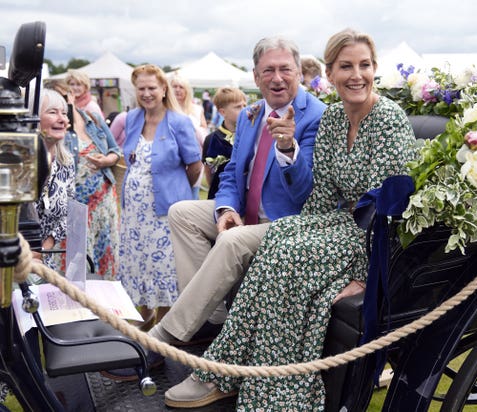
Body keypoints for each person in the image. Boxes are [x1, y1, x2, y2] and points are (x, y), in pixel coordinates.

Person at [164, 28, 417, 410]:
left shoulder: (388, 119)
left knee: (284, 254)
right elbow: (320, 196)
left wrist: (364, 277)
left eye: (365, 65)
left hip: (368, 234)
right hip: (334, 223)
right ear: (329, 74)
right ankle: (230, 366)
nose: (356, 75)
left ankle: (251, 377)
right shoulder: (334, 119)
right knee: (279, 238)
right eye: (345, 66)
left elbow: (389, 212)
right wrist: (294, 230)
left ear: (375, 69)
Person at [141, 36, 326, 355]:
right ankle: (210, 321)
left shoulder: (317, 115)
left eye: (285, 69)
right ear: (255, 77)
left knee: (230, 241)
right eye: (268, 70)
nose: (277, 78)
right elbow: (232, 172)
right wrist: (226, 208)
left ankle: (167, 333)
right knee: (181, 212)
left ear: (298, 72)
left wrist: (287, 148)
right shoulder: (250, 114)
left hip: (290, 222)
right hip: (247, 214)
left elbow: (306, 191)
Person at [116, 64, 202, 331]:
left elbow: (195, 165)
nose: (146, 93)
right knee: (139, 265)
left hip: (165, 211)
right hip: (134, 214)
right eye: (141, 88)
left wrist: (177, 192)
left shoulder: (179, 122)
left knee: (164, 268)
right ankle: (144, 318)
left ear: (163, 89)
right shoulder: (132, 119)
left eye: (151, 87)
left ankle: (162, 328)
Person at [45, 79, 122, 279]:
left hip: (103, 201)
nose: (62, 107)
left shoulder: (93, 119)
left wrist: (106, 160)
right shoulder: (58, 130)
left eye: (64, 97)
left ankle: (103, 300)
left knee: (104, 252)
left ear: (72, 95)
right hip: (76, 204)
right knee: (77, 261)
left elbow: (115, 150)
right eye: (53, 107)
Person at [34, 88, 76, 273]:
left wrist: (46, 246)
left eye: (65, 114)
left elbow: (70, 212)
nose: (62, 119)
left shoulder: (66, 162)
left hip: (46, 261)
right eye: (53, 112)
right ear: (33, 117)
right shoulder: (17, 161)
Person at [201, 87, 247, 199]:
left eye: (245, 106)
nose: (244, 110)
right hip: (220, 197)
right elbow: (209, 175)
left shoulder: (251, 136)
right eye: (238, 107)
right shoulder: (211, 140)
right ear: (222, 112)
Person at [170, 75, 208, 145]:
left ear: (187, 91)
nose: (177, 90)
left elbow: (204, 132)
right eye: (174, 86)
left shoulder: (197, 109)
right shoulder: (164, 109)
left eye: (181, 87)